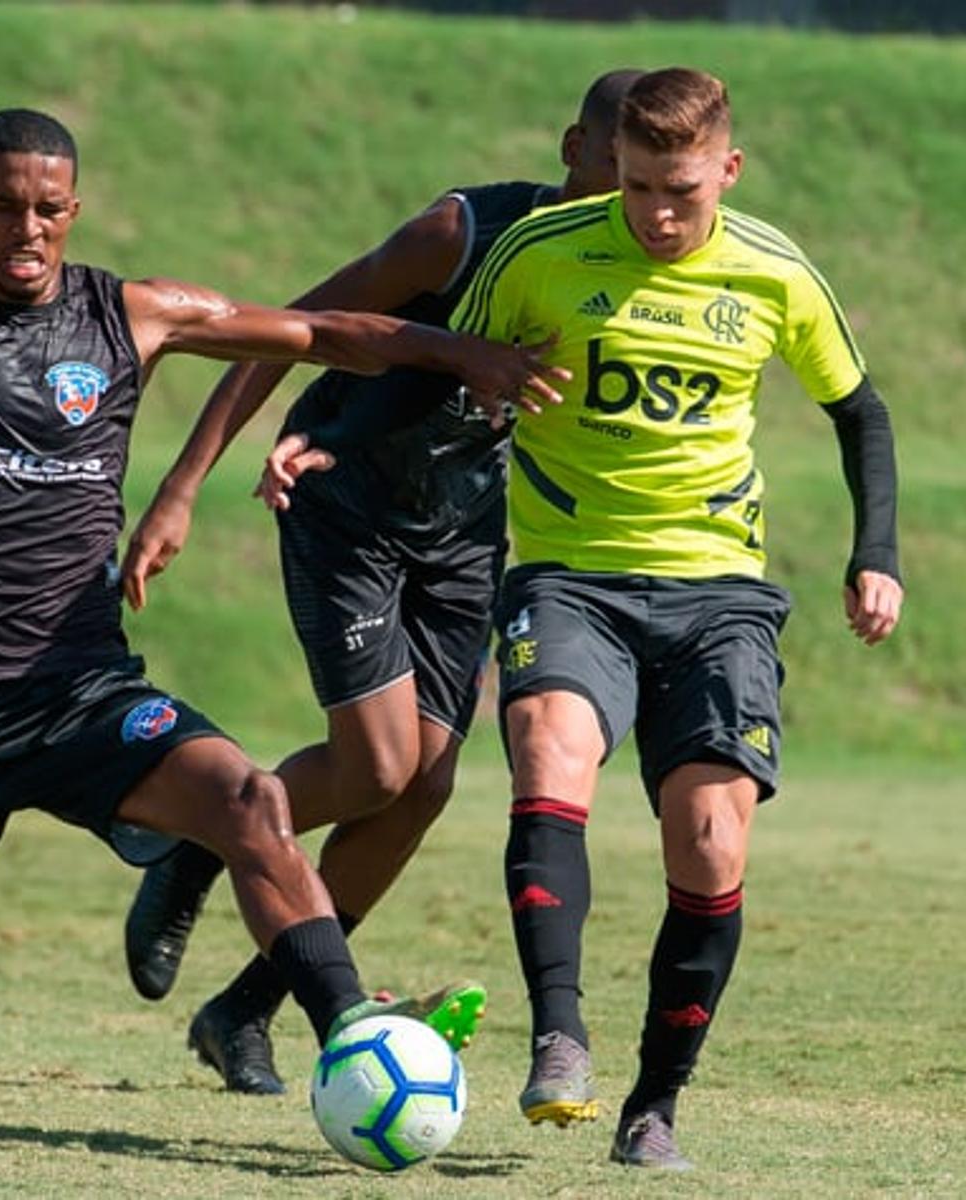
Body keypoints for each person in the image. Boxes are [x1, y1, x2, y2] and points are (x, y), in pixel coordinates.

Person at [0, 60, 570, 1126]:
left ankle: (352, 1037)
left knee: (250, 805)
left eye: (47, 210)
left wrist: (460, 355)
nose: (25, 230)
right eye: (1, 208)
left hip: (79, 690)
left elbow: (318, 333)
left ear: (73, 210)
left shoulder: (134, 314)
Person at [117, 71, 641, 1098]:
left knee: (425, 789)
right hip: (347, 510)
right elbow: (283, 330)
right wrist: (181, 488)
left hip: (463, 536)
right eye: (619, 173)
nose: (636, 202)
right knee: (377, 768)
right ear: (574, 146)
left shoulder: (640, 265)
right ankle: (209, 836)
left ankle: (242, 1011)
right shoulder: (461, 232)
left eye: (656, 183)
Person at [446, 67, 904, 1169]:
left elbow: (859, 410)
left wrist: (874, 554)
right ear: (613, 166)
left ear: (728, 172)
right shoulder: (541, 253)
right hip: (569, 575)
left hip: (719, 592)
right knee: (548, 752)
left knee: (709, 841)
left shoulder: (773, 269)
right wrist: (342, 431)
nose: (659, 212)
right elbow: (450, 369)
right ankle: (559, 1034)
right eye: (641, 184)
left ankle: (655, 1105)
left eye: (683, 191)